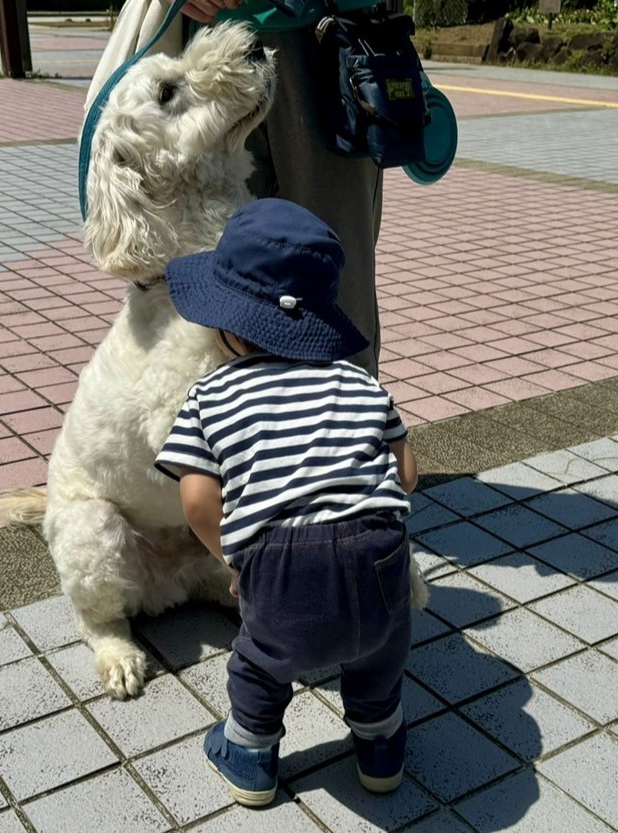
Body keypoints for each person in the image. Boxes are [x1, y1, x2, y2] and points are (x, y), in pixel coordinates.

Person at [154, 198, 418, 807]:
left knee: (262, 660)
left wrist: (235, 558)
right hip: (379, 551)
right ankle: (380, 749)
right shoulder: (359, 380)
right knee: (379, 654)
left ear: (228, 324)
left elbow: (196, 500)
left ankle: (249, 755)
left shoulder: (210, 394)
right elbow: (405, 473)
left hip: (278, 562)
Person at [180, 0, 386, 376]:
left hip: (327, 35)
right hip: (212, 46)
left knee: (336, 309)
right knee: (217, 319)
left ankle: (353, 428)